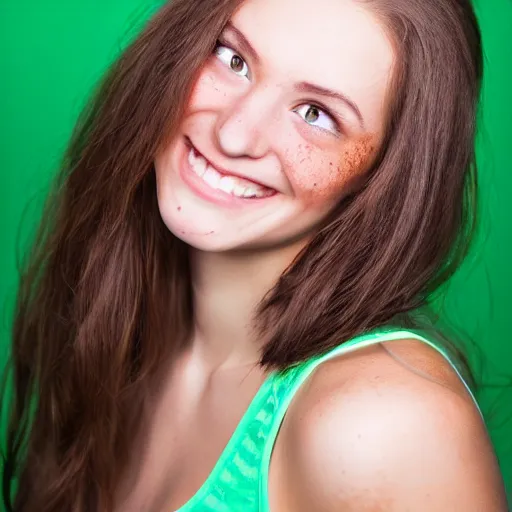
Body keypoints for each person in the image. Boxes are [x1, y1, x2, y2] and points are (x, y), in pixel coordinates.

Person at [1, 0, 508, 510]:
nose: (233, 133)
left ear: (385, 178)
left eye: (316, 115)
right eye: (232, 58)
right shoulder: (130, 331)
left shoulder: (383, 425)